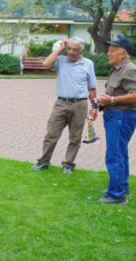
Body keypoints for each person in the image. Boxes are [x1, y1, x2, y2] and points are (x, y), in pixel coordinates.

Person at [33, 36, 98, 174]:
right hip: (61, 103)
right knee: (51, 135)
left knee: (75, 137)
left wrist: (95, 107)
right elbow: (46, 64)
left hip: (80, 105)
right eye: (69, 49)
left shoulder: (88, 64)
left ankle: (68, 165)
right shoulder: (61, 61)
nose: (71, 52)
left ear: (82, 51)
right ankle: (43, 162)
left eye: (75, 49)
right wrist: (60, 49)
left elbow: (92, 87)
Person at [97, 34, 136, 205]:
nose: (108, 53)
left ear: (124, 54)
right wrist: (102, 102)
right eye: (109, 50)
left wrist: (111, 100)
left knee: (115, 155)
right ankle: (122, 187)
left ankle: (116, 195)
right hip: (116, 115)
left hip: (121, 117)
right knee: (120, 153)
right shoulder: (117, 69)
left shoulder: (129, 69)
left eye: (112, 50)